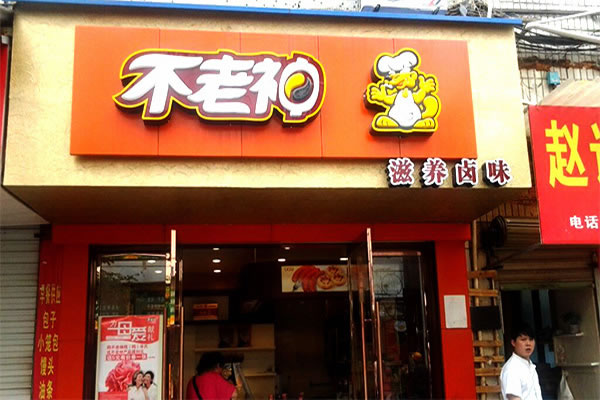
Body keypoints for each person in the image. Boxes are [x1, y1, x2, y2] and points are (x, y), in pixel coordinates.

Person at [500, 325, 543, 400]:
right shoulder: (512, 368)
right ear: (513, 342)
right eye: (523, 339)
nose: (528, 343)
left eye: (531, 339)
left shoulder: (530, 366)